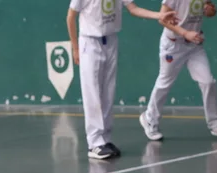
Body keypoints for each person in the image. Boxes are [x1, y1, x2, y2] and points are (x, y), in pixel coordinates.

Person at [66, 0, 176, 160]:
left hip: (111, 40)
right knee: (92, 93)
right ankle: (94, 143)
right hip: (89, 42)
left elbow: (133, 9)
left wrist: (159, 15)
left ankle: (105, 139)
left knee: (108, 92)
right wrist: (75, 48)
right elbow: (70, 16)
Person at [139, 0, 217, 141]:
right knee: (164, 83)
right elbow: (162, 18)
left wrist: (209, 10)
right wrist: (185, 33)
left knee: (208, 82)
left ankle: (216, 124)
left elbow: (211, 11)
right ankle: (149, 119)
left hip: (194, 46)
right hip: (173, 46)